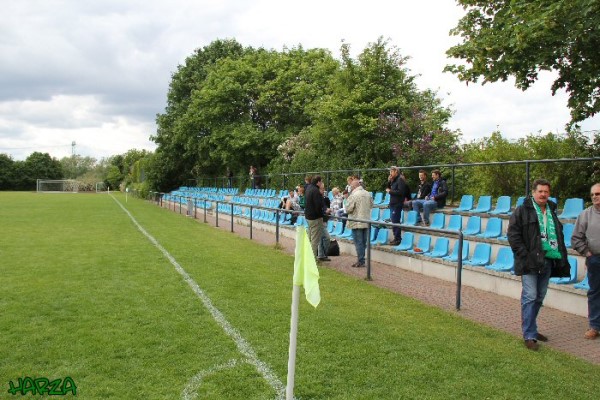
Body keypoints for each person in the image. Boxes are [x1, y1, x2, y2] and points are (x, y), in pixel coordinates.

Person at [507, 178, 571, 351]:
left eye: (546, 192)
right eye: (540, 191)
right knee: (530, 296)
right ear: (533, 193)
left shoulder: (551, 210)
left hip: (548, 260)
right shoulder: (522, 210)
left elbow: (557, 235)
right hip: (530, 261)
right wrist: (525, 255)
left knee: (539, 297)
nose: (543, 194)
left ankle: (532, 329)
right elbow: (513, 235)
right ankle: (529, 335)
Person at [571, 183, 600, 340]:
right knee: (595, 292)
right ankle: (594, 326)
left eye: (598, 193)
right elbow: (576, 238)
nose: (595, 196)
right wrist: (588, 254)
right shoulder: (585, 215)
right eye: (593, 194)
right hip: (595, 259)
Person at [346, 178, 373, 268]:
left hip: (356, 221)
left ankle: (361, 260)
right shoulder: (367, 193)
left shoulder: (354, 195)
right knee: (363, 242)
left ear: (353, 187)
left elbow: (348, 209)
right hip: (366, 221)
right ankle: (362, 259)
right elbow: (371, 205)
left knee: (358, 242)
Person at [386, 166, 411, 245]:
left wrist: (390, 191)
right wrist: (389, 181)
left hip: (397, 204)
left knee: (395, 221)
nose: (390, 173)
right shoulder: (394, 180)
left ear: (396, 172)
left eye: (391, 172)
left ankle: (398, 239)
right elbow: (388, 188)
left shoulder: (400, 180)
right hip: (392, 203)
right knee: (393, 221)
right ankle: (396, 238)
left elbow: (400, 192)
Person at [304, 175, 326, 260]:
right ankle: (312, 259)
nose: (322, 183)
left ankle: (307, 257)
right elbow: (318, 206)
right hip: (315, 218)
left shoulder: (308, 188)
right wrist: (322, 214)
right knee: (314, 240)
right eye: (321, 182)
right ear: (318, 182)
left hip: (308, 217)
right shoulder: (316, 191)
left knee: (310, 238)